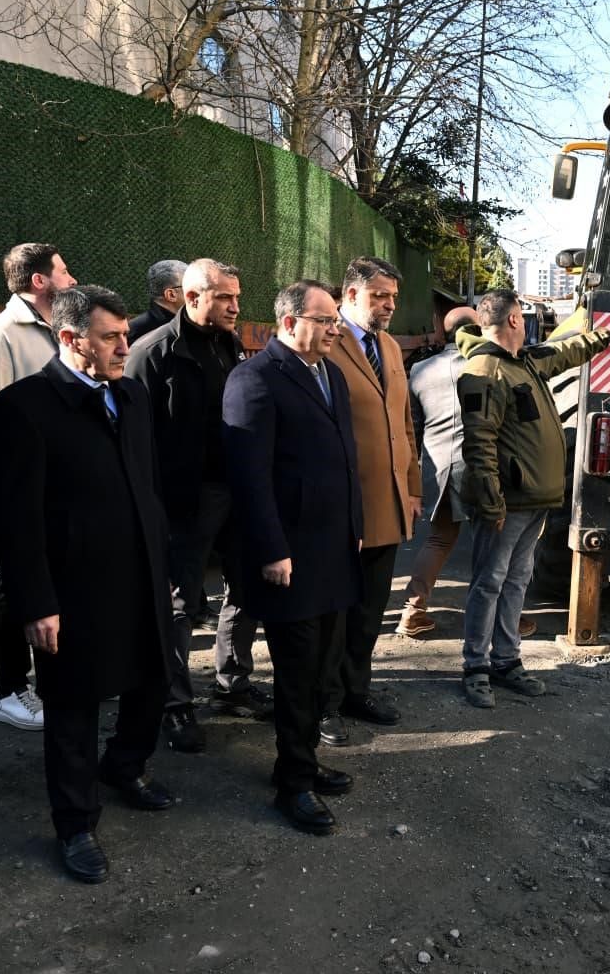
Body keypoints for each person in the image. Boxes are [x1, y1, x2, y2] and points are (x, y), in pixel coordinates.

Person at [0, 285, 178, 884]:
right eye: (111, 337)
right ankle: (75, 823)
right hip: (72, 589)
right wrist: (36, 602)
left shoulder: (133, 395)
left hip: (142, 572)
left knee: (152, 680)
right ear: (70, 340)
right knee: (72, 707)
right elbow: (18, 519)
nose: (126, 346)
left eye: (125, 334)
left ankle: (126, 766)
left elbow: (147, 483)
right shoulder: (25, 406)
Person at [223, 282, 363, 834]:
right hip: (291, 558)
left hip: (332, 548)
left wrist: (354, 525)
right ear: (288, 323)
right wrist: (272, 548)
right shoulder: (253, 379)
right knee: (298, 674)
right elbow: (249, 477)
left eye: (336, 320)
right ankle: (294, 786)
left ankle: (301, 760)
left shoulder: (330, 374)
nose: (336, 328)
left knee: (324, 664)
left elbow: (346, 460)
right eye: (325, 319)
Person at [127, 259, 265, 753]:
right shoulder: (152, 353)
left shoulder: (227, 343)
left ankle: (232, 685)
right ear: (190, 298)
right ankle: (173, 703)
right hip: (182, 503)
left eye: (237, 296)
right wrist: (154, 510)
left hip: (234, 493)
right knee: (180, 605)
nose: (236, 306)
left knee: (247, 588)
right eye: (225, 297)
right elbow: (135, 443)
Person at [456, 289, 610, 708]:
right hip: (507, 506)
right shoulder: (484, 371)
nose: (526, 323)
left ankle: (506, 662)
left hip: (533, 503)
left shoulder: (524, 361)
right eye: (522, 316)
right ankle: (476, 667)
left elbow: (565, 353)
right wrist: (492, 505)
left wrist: (605, 337)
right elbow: (479, 445)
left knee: (515, 582)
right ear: (512, 320)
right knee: (489, 584)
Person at [0, 242, 77, 734]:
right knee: (15, 584)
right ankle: (10, 689)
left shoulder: (60, 327)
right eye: (64, 271)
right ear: (39, 281)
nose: (72, 280)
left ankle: (57, 673)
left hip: (65, 485)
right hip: (22, 486)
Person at [319, 257, 421, 744]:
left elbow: (403, 423)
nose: (389, 305)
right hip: (343, 508)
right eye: (380, 295)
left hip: (389, 502)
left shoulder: (388, 346)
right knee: (333, 613)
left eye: (393, 297)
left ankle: (356, 690)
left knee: (369, 610)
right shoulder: (327, 340)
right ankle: (324, 704)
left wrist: (414, 488)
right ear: (351, 293)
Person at [397, 307, 536, 641]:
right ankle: (505, 619)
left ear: (444, 333)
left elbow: (412, 430)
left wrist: (414, 478)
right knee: (493, 547)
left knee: (439, 539)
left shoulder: (419, 370)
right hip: (485, 466)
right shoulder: (492, 363)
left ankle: (412, 612)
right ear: (481, 328)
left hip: (439, 468)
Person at [128, 259, 187, 345]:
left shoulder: (189, 323)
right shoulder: (135, 334)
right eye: (190, 286)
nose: (199, 292)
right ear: (171, 295)